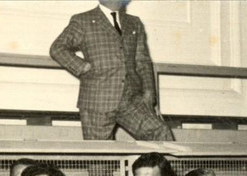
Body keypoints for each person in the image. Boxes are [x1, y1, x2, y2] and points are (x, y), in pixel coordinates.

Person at [50, 0, 173, 142]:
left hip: (130, 98)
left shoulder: (134, 22)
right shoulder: (83, 20)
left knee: (159, 131)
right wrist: (82, 67)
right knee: (101, 157)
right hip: (97, 100)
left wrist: (149, 91)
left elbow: (142, 61)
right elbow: (57, 48)